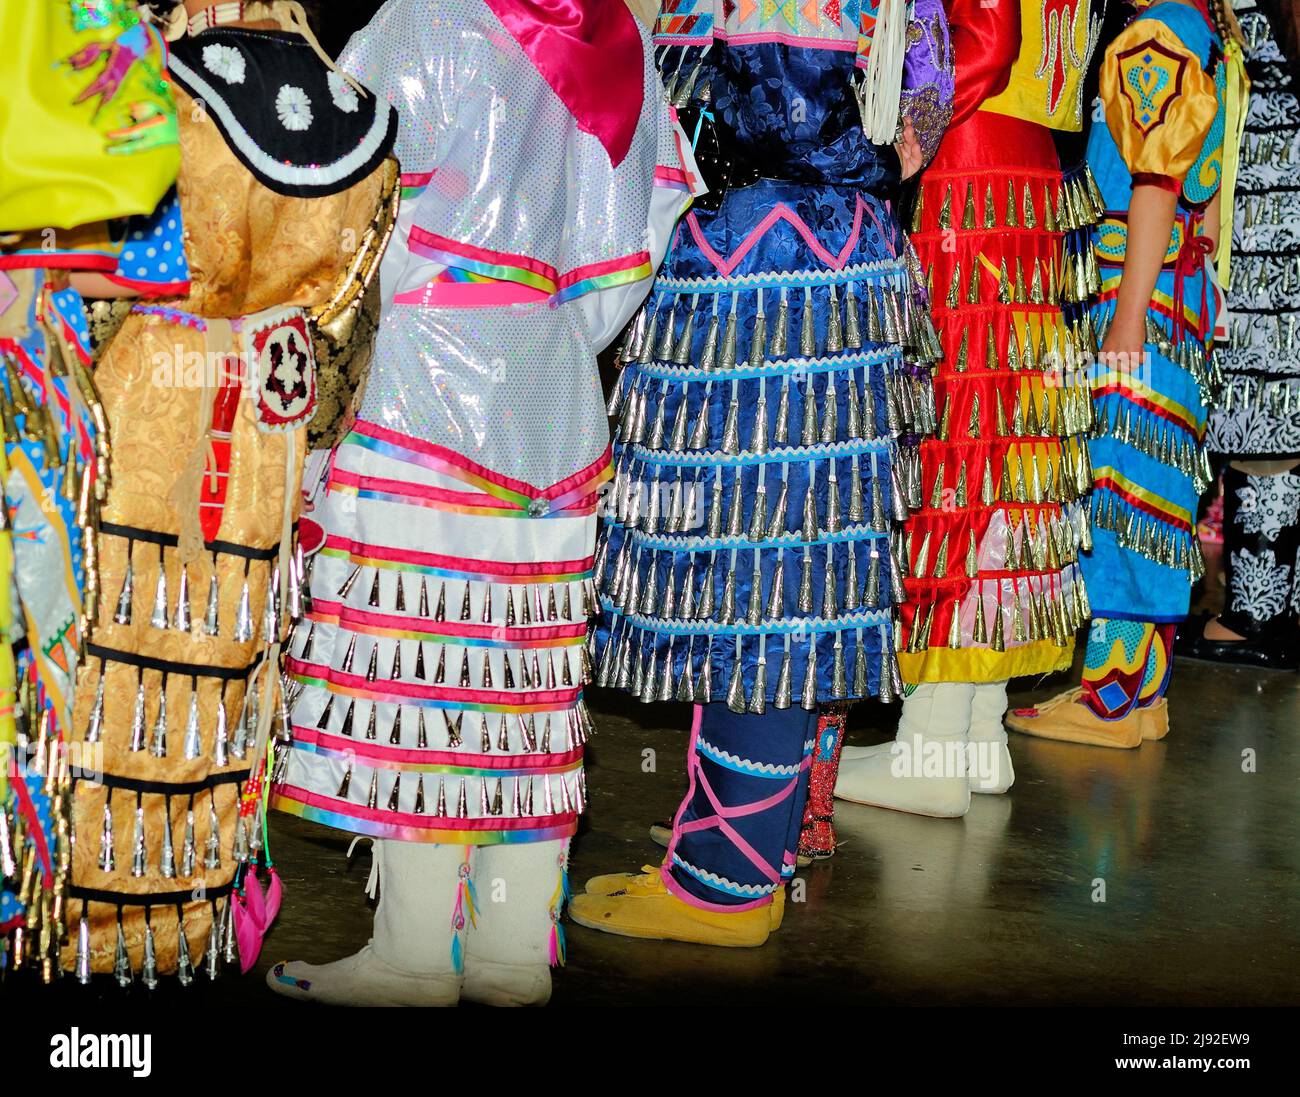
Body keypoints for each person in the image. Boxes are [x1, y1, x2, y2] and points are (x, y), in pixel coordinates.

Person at [266, 0, 700, 1006]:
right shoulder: (612, 35)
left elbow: (336, 201)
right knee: (523, 683)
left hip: (423, 389)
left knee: (421, 666)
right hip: (549, 389)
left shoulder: (422, 24)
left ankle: (416, 952)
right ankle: (509, 949)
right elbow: (628, 248)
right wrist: (538, 326)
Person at [569, 0, 954, 947]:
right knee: (791, 562)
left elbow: (764, 114)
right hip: (833, 262)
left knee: (753, 571)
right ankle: (745, 843)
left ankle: (725, 881)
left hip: (768, 280)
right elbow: (921, 97)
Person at [61, 0, 399, 986]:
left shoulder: (154, 92)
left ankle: (91, 935)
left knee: (113, 666)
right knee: (222, 674)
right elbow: (348, 326)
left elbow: (97, 277)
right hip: (263, 417)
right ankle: (194, 923)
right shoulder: (353, 106)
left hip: (142, 406)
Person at [834, 0, 1106, 817]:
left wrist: (901, 142)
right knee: (1004, 433)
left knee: (955, 437)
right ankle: (976, 732)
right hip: (1023, 171)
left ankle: (930, 743)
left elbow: (984, 36)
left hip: (967, 171)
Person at [1007, 0, 1248, 746]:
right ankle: (1144, 692)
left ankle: (1109, 696)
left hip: (1139, 289)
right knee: (1160, 489)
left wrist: (1128, 315)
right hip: (1183, 288)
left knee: (1118, 483)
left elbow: (1153, 183)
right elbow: (1207, 203)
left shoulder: (1158, 31)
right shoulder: (1212, 33)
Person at [0, 0, 182, 978]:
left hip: (37, 354)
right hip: (44, 348)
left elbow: (139, 168)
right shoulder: (95, 19)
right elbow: (141, 169)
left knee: (41, 628)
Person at [1179, 0, 1300, 670]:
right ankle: (1276, 609)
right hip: (1278, 166)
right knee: (1281, 399)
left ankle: (1253, 617)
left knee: (1264, 406)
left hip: (1268, 178)